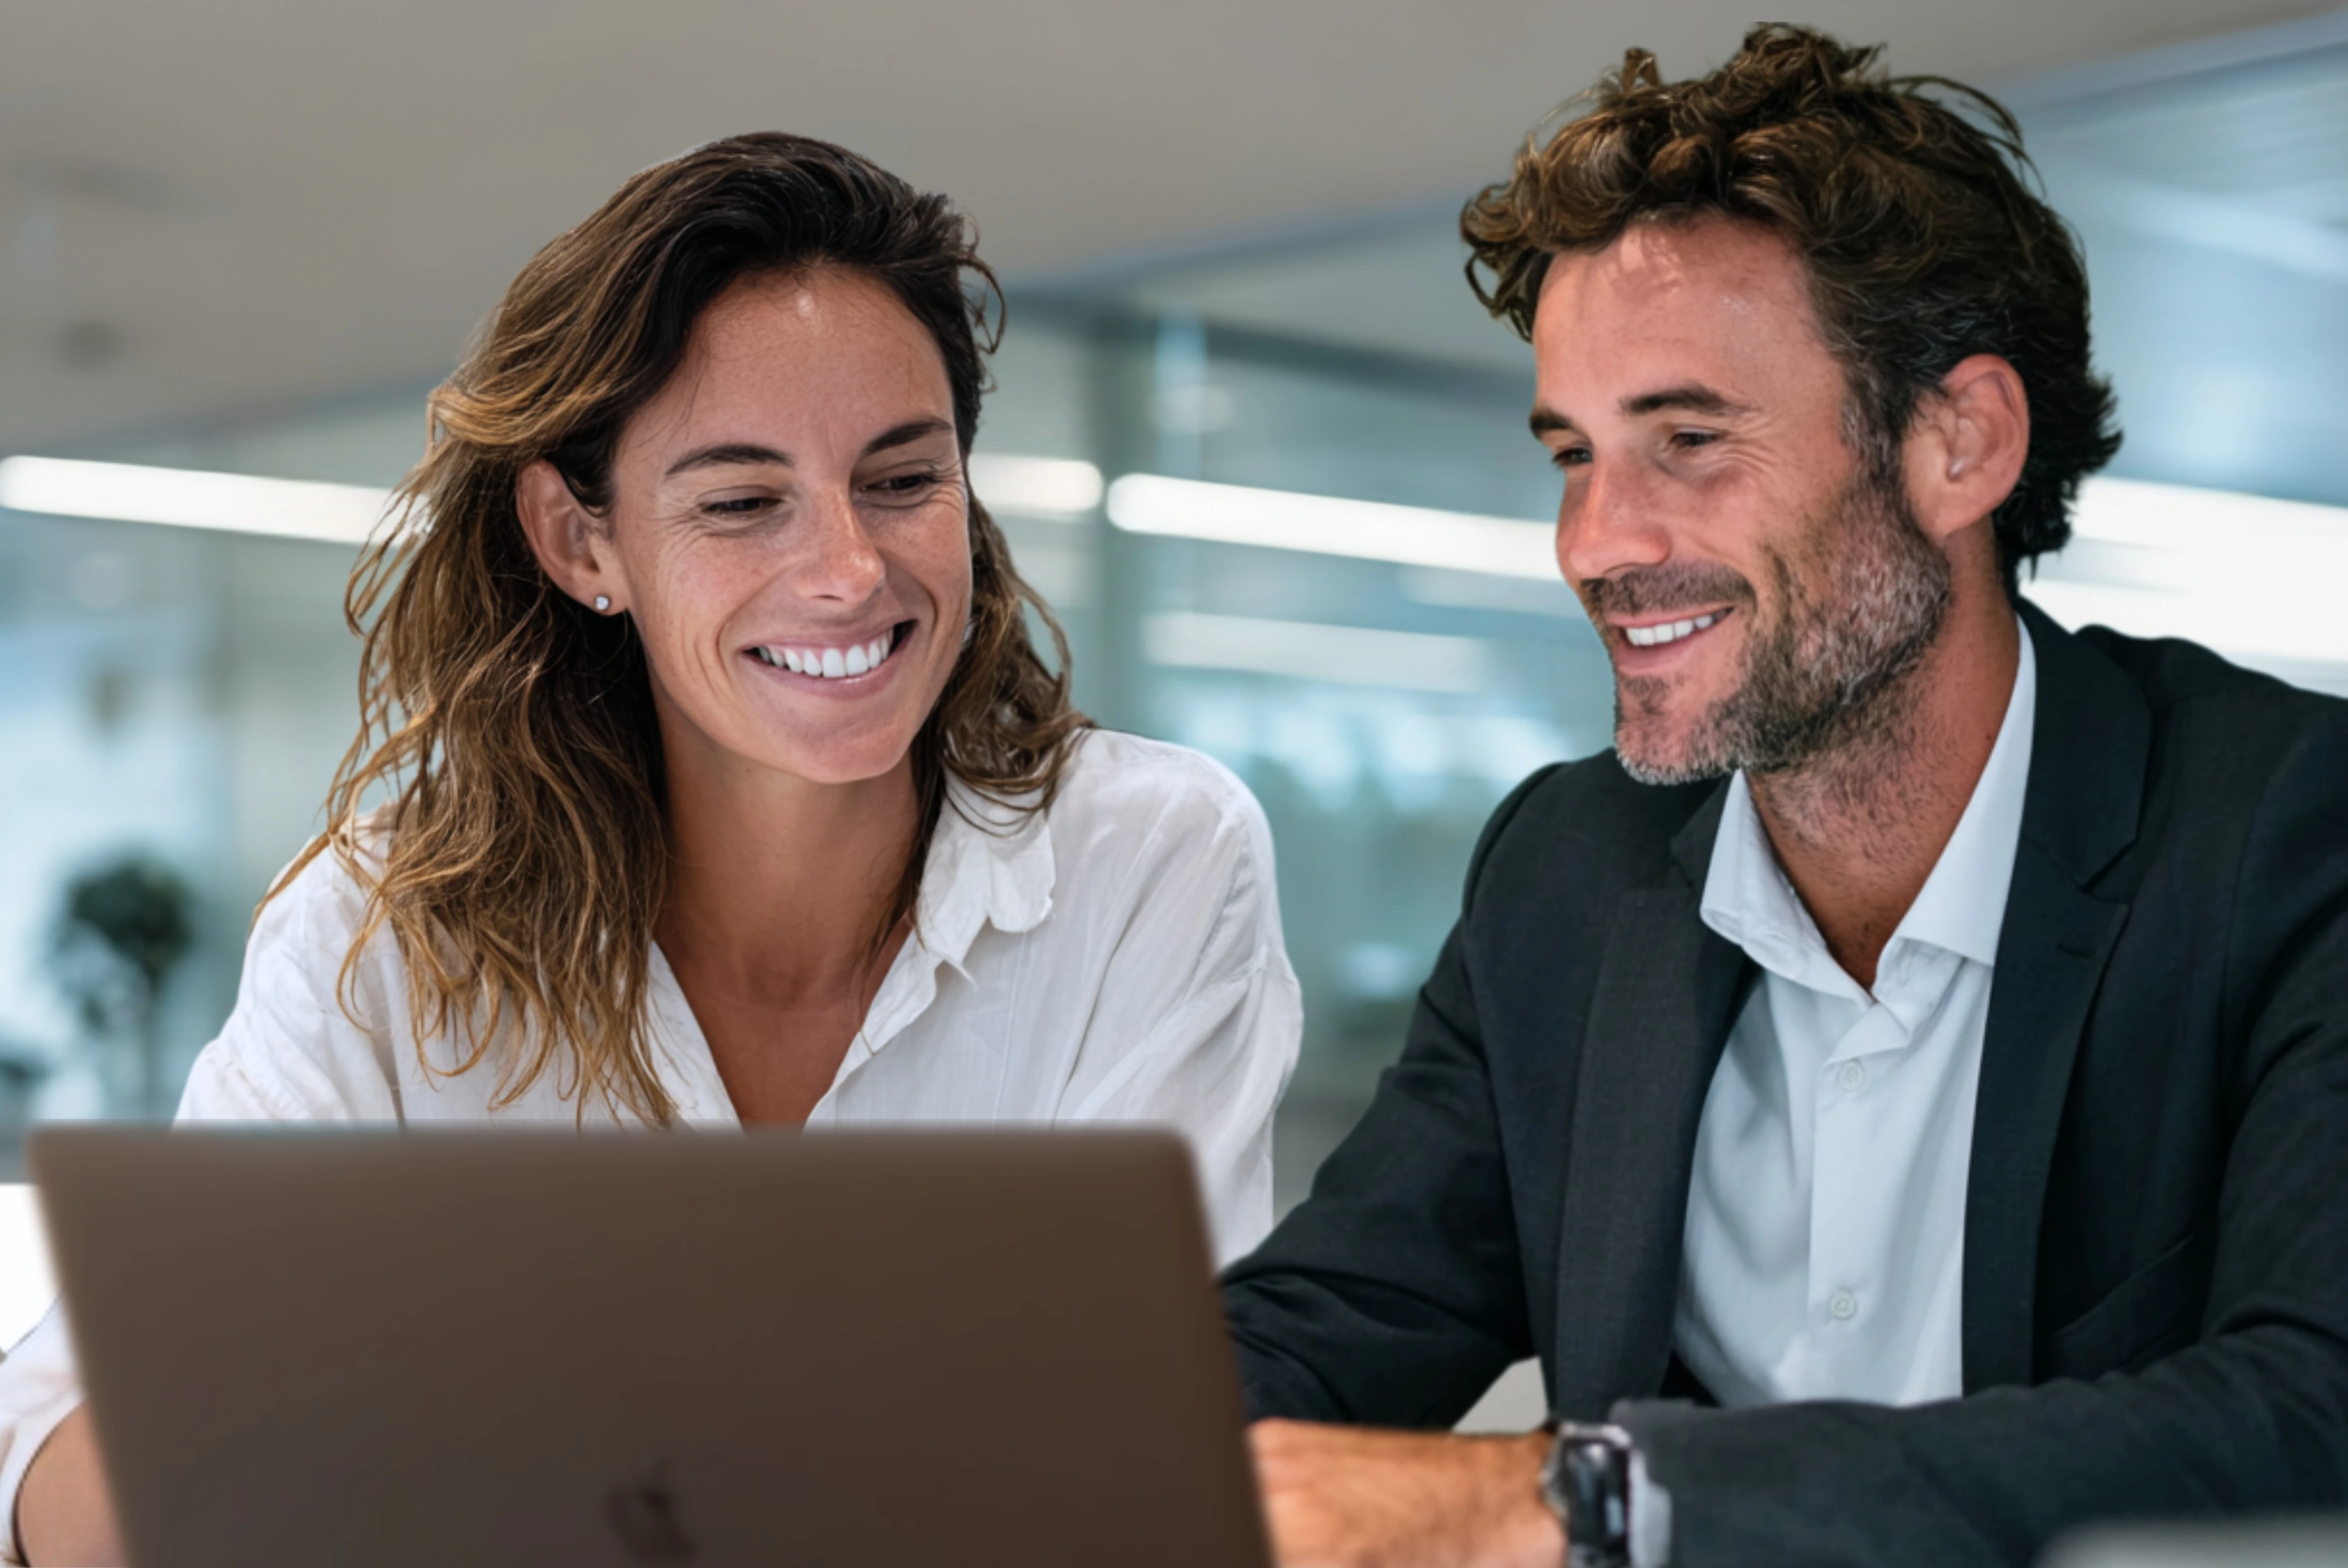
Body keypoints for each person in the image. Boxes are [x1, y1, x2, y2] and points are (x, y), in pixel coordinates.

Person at [2, 133, 1300, 1565]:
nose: (850, 571)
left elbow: (1141, 1452)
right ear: (580, 542)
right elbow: (63, 1467)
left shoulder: (1149, 862)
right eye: (742, 501)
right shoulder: (385, 925)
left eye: (904, 479)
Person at [1225, 25, 2348, 1568]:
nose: (1596, 543)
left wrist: (1595, 1503)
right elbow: (1340, 1313)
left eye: (1689, 441)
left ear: (1961, 444)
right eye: (1574, 454)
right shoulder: (1565, 865)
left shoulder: (2292, 831)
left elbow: (2308, 1415)